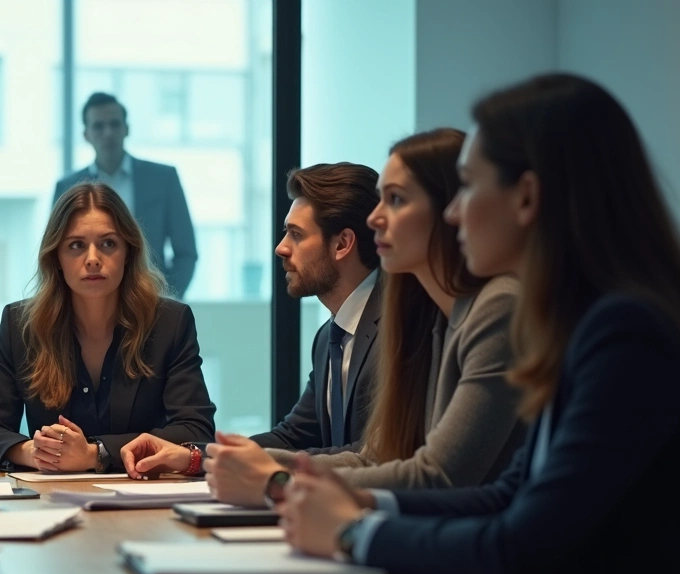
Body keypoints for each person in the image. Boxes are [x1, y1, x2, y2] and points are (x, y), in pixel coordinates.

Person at [278, 73, 680, 574]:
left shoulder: (623, 333)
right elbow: (504, 497)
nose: (453, 213)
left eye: (467, 187)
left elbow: (517, 546)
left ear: (527, 197)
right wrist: (357, 507)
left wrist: (352, 532)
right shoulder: (583, 323)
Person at [206, 128, 525, 507]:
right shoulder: (433, 317)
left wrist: (276, 483)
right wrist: (228, 459)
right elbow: (377, 457)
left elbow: (440, 475)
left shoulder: (495, 308)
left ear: (447, 210)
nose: (374, 219)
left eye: (395, 199)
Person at [119, 162, 382, 478]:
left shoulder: (403, 330)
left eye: (296, 235)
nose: (280, 247)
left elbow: (371, 457)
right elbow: (292, 437)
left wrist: (255, 470)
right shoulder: (330, 336)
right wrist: (192, 457)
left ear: (342, 244)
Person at [0, 182, 215, 473]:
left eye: (108, 244)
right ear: (56, 257)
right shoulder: (20, 326)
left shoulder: (169, 322)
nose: (93, 259)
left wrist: (97, 453)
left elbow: (196, 432)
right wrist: (34, 452)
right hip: (48, 502)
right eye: (76, 245)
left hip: (141, 497)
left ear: (128, 253)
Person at [54, 92, 197, 297]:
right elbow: (58, 253)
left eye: (114, 124)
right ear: (86, 134)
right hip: (88, 304)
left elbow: (186, 251)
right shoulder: (67, 187)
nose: (108, 133)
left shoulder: (163, 179)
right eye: (99, 126)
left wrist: (168, 299)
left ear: (126, 129)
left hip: (150, 300)